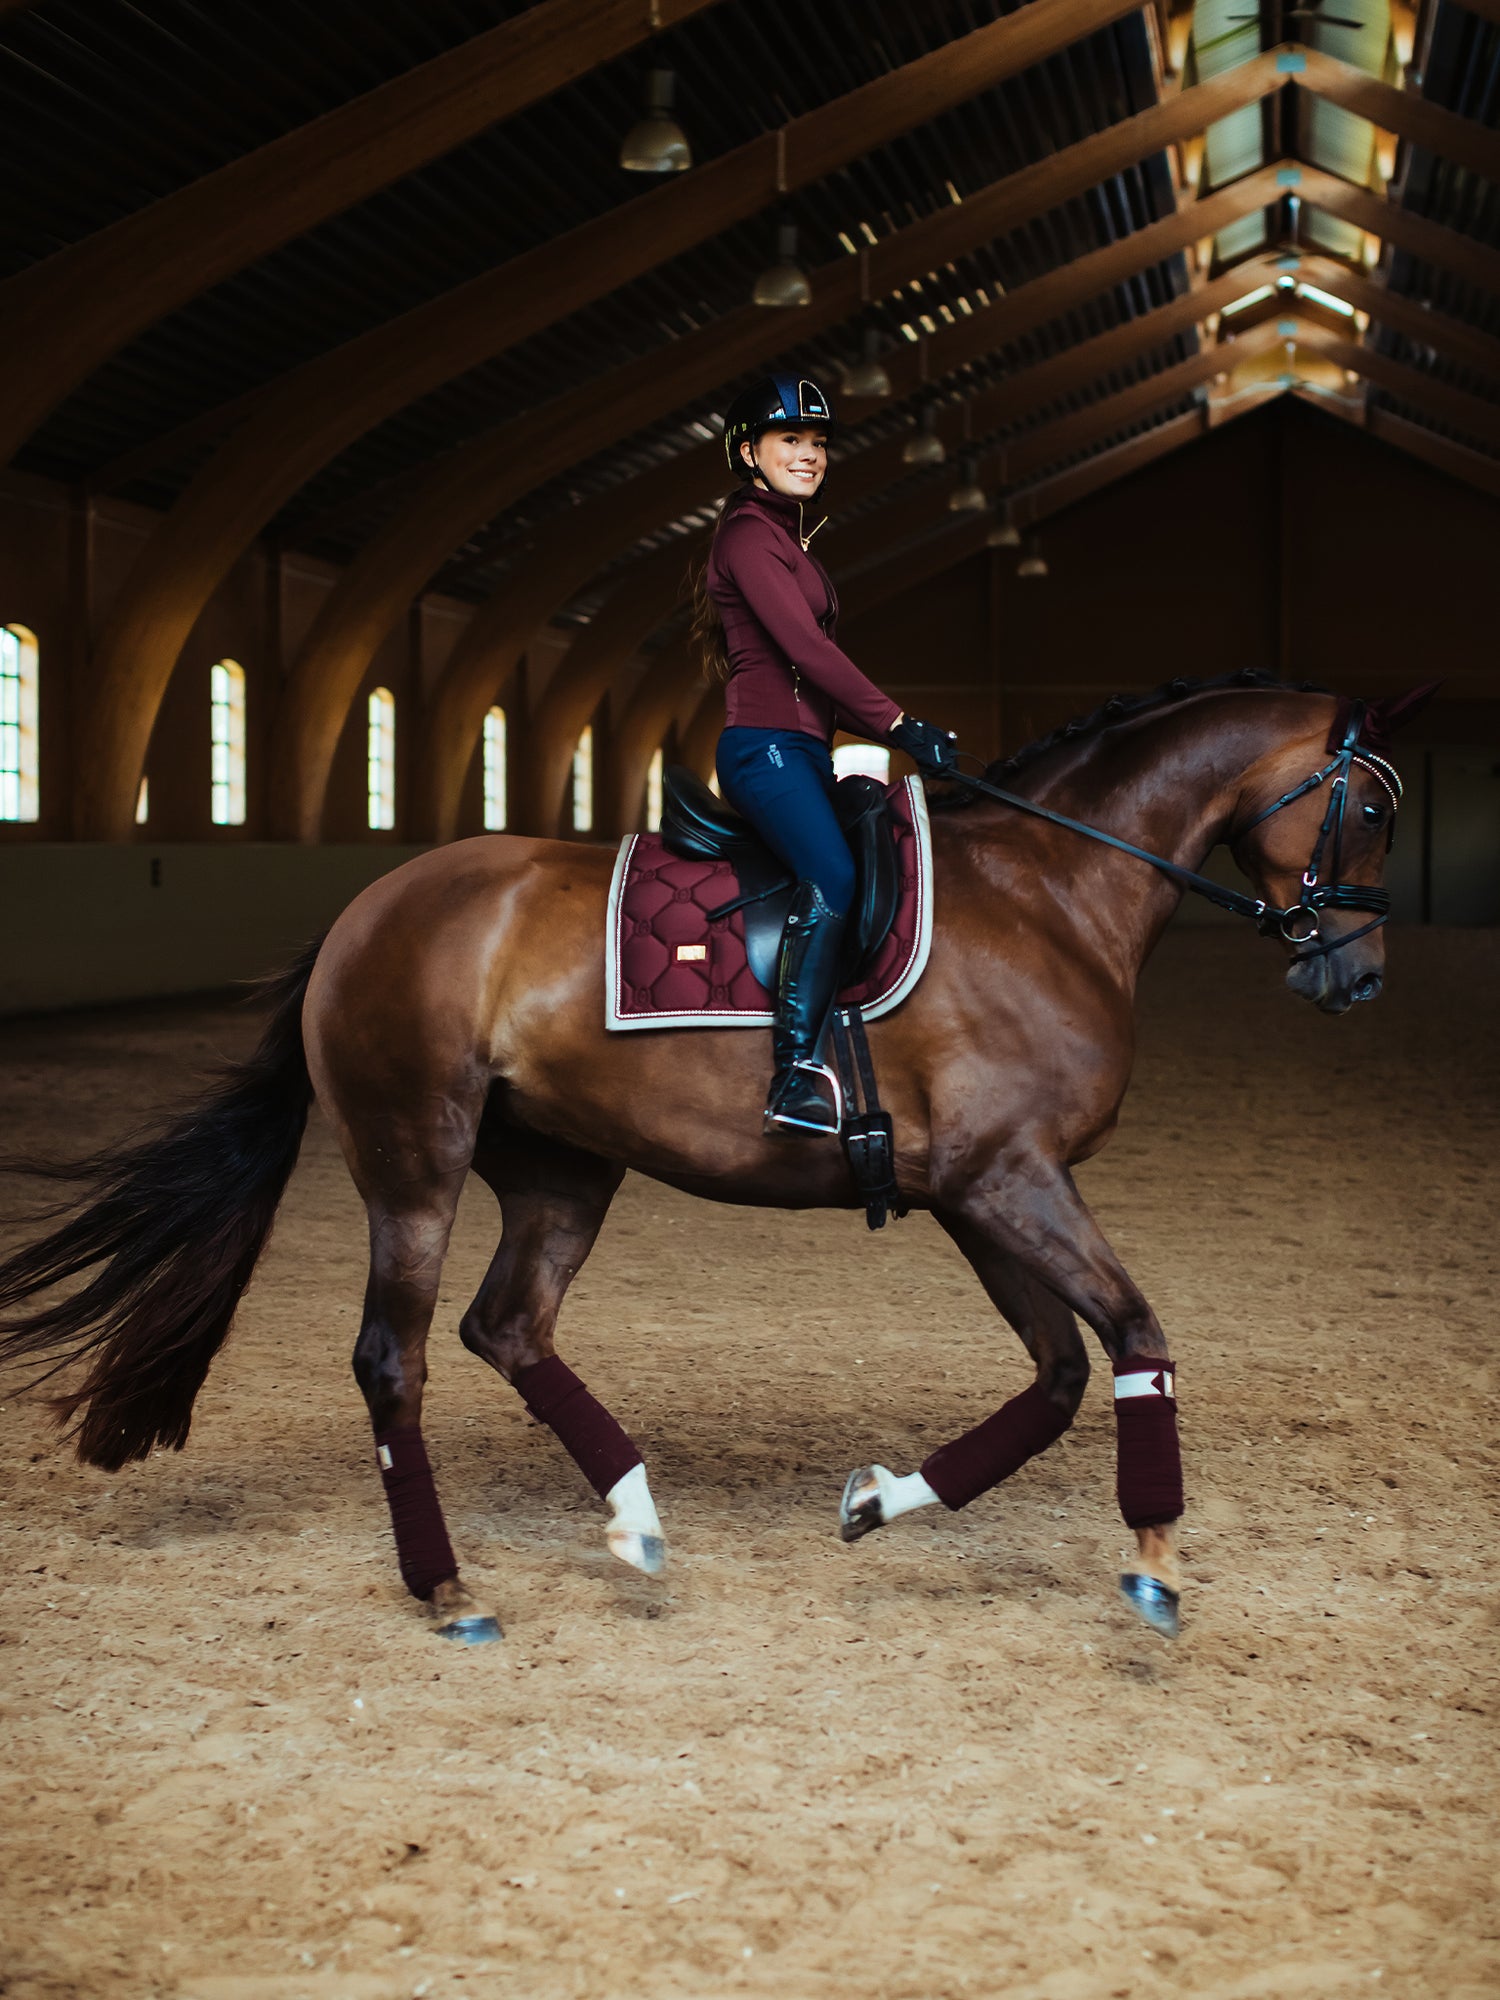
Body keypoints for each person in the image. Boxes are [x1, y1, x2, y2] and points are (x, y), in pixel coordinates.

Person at [692, 369, 958, 1139]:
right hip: (764, 749)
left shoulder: (786, 539)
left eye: (817, 443)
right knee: (834, 874)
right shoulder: (746, 535)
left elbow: (818, 676)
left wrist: (906, 735)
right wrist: (900, 722)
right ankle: (792, 1074)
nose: (808, 454)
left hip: (805, 748)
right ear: (748, 452)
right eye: (790, 440)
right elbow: (803, 647)